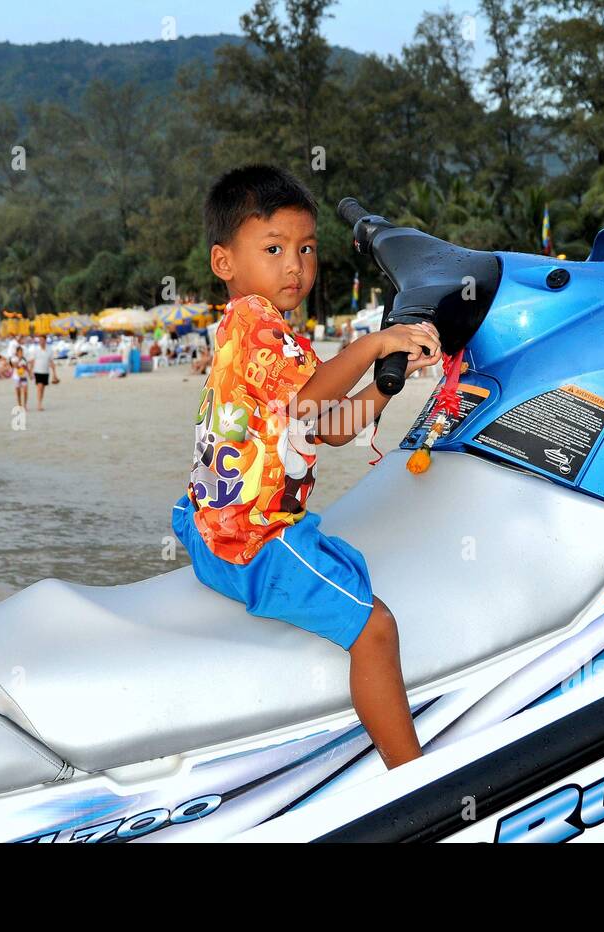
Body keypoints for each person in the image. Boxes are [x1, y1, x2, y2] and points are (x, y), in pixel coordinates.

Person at [171, 165, 442, 771]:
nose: (295, 265)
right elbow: (310, 402)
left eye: (306, 249)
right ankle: (412, 774)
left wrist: (386, 385)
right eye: (273, 249)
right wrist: (372, 344)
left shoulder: (266, 334)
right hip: (250, 537)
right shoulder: (257, 328)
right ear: (224, 263)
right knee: (375, 629)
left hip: (209, 517)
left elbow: (326, 423)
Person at [29, 335, 58, 411]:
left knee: (43, 389)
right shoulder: (35, 349)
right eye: (40, 340)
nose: (41, 341)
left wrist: (54, 374)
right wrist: (30, 372)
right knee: (39, 387)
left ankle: (40, 402)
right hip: (37, 371)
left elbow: (51, 362)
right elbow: (32, 361)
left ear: (45, 340)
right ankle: (39, 404)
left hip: (46, 371)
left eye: (42, 340)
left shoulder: (49, 349)